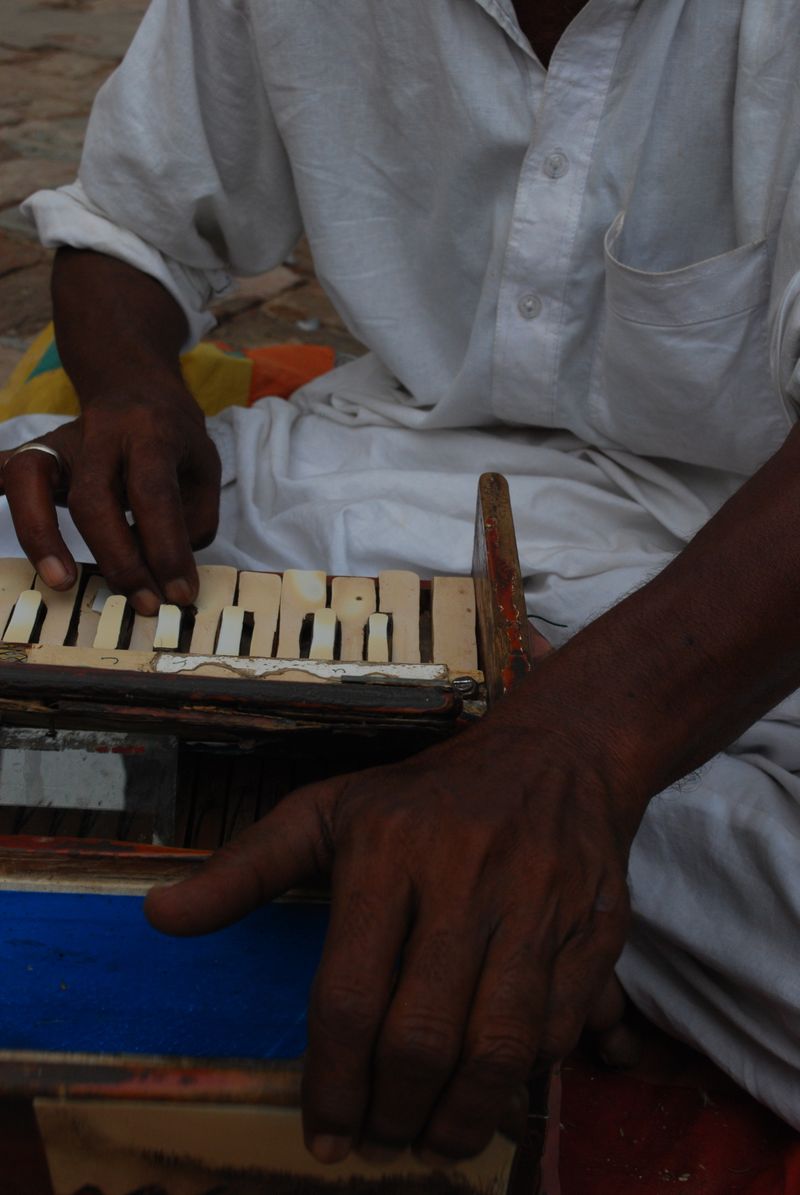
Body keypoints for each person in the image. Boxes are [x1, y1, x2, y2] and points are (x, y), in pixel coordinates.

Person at [5, 0, 800, 1167]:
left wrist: (565, 758)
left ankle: (399, 821)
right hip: (374, 479)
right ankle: (443, 848)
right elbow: (131, 223)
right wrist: (129, 388)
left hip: (739, 580)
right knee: (37, 508)